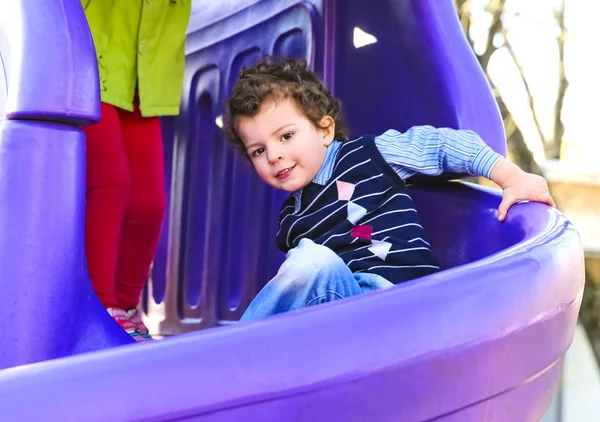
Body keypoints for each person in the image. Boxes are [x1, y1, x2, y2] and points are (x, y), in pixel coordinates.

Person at [222, 57, 555, 321]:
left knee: (312, 261)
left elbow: (443, 145)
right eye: (258, 151)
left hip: (403, 306)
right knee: (308, 262)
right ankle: (258, 365)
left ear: (324, 130)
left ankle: (232, 358)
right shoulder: (292, 219)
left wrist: (511, 176)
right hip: (345, 319)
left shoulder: (370, 155)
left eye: (286, 136)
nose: (274, 154)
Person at [81, 1, 191, 340]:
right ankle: (100, 311)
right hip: (91, 55)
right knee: (111, 185)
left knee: (148, 204)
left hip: (145, 72)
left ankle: (127, 310)